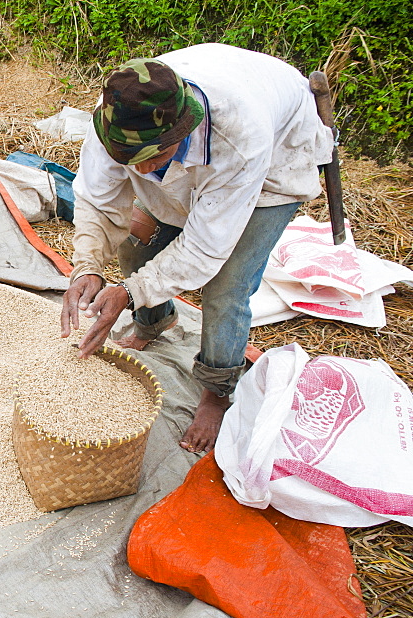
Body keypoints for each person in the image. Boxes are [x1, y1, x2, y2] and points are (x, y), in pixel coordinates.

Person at [60, 43, 334, 453]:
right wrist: (87, 268)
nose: (142, 171)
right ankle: (154, 322)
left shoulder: (240, 137)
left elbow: (206, 249)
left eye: (156, 157)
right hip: (214, 139)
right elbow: (98, 201)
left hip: (277, 158)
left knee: (226, 286)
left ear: (183, 129)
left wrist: (129, 292)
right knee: (140, 247)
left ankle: (217, 392)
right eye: (131, 160)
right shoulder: (117, 117)